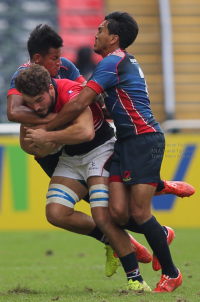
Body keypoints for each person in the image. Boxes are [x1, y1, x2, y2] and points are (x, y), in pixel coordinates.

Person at [39, 12, 188, 292]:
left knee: (139, 213)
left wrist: (47, 132)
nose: (96, 34)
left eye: (100, 30)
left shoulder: (112, 62)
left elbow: (79, 103)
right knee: (117, 213)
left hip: (145, 140)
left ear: (113, 38)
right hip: (125, 142)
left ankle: (172, 273)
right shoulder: (120, 62)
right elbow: (110, 105)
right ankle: (160, 213)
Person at [15, 64, 152, 292]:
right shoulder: (32, 106)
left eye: (39, 99)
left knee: (103, 216)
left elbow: (86, 132)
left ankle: (136, 280)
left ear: (50, 88)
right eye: (30, 102)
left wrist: (47, 135)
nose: (36, 107)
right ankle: (112, 241)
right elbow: (28, 145)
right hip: (72, 157)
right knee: (56, 213)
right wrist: (43, 144)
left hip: (100, 150)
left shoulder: (72, 92)